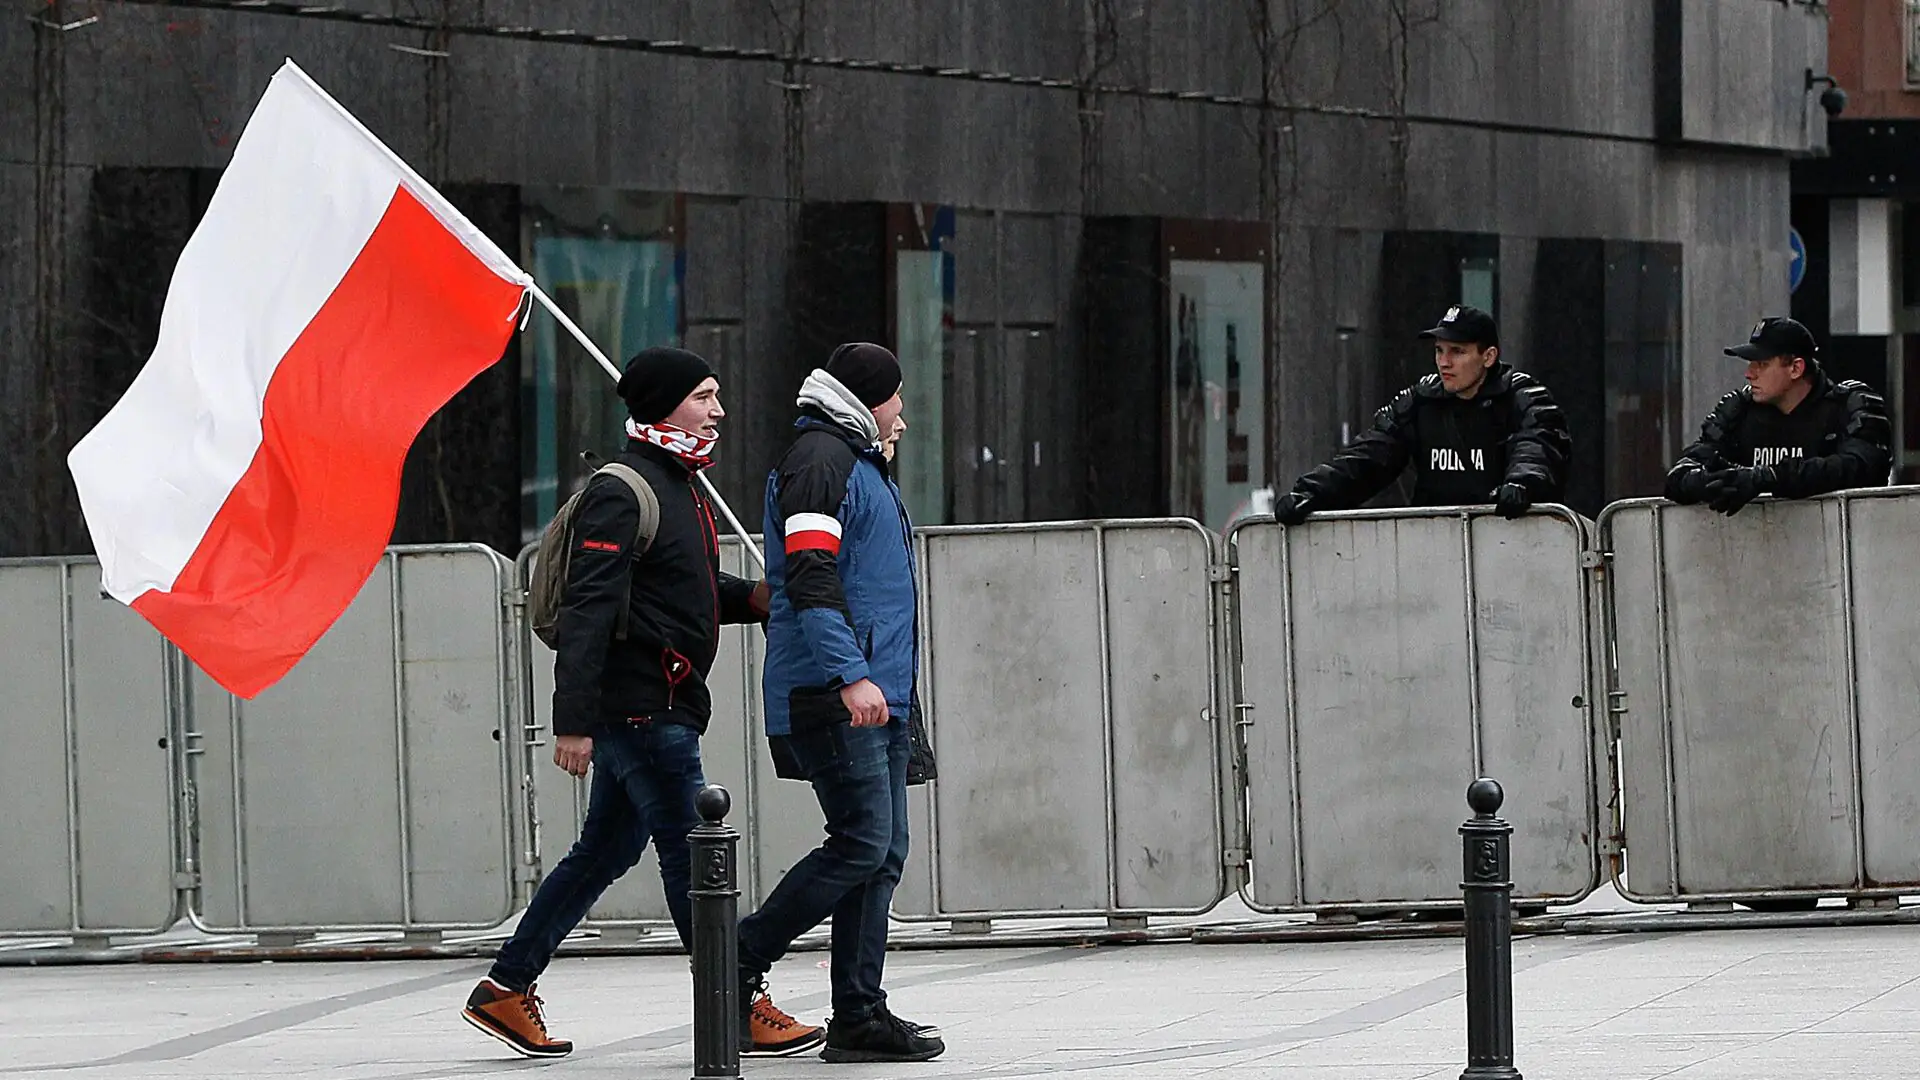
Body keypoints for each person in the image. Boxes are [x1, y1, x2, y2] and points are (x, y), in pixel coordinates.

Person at [461, 346, 822, 1060]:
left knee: (604, 851)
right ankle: (733, 1003)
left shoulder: (678, 482)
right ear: (663, 405)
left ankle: (505, 987)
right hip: (642, 707)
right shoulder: (623, 490)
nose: (718, 411)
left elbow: (679, 588)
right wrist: (572, 721)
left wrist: (754, 599)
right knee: (694, 858)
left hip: (660, 702)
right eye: (704, 397)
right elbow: (590, 607)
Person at [736, 342, 945, 1063]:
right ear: (866, 398)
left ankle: (858, 1015)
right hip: (836, 690)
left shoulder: (856, 461)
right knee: (861, 841)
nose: (902, 416)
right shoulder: (821, 462)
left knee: (880, 851)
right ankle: (738, 959)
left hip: (876, 691)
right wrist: (850, 674)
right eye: (896, 399)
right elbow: (810, 576)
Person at [1273, 304, 1571, 524]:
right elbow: (1369, 456)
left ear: (1489, 356)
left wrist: (1522, 484)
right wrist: (1311, 494)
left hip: (1510, 541)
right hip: (1432, 546)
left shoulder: (1522, 398)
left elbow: (1537, 444)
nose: (1444, 362)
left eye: (1457, 351)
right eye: (1439, 351)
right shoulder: (1421, 401)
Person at [1664, 316, 1892, 515]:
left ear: (1796, 368)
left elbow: (1865, 469)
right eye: (1750, 363)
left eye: (1762, 364)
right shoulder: (1738, 411)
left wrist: (1769, 478)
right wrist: (1707, 482)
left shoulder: (1847, 406)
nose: (1749, 374)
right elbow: (1677, 475)